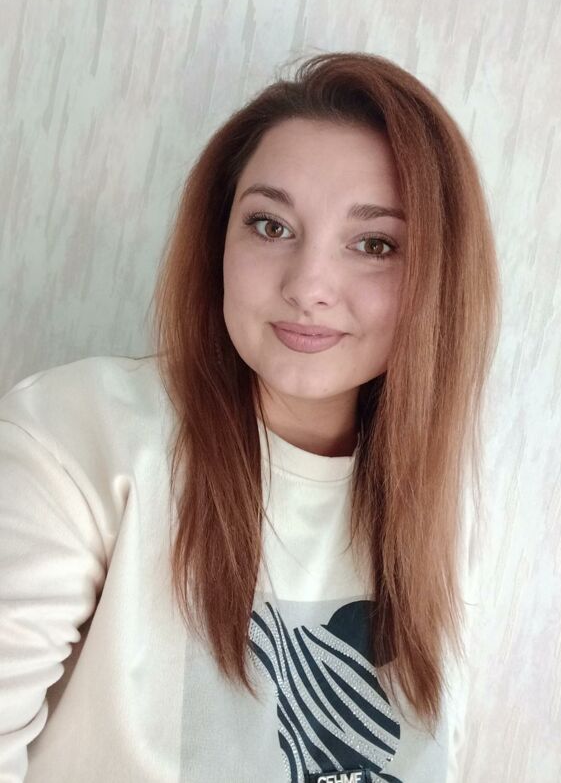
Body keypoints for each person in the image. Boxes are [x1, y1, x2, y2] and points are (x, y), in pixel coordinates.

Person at [0, 51, 500, 782]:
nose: (309, 285)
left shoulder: (443, 500)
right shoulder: (79, 439)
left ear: (438, 279)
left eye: (375, 244)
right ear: (219, 243)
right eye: (270, 226)